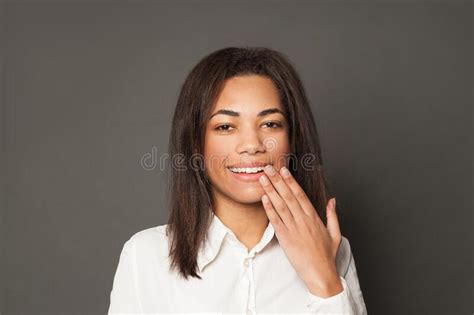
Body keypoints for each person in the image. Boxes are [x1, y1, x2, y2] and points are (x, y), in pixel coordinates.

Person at [108, 47, 367, 314]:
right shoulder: (145, 255)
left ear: (292, 140)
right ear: (196, 144)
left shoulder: (333, 248)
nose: (252, 145)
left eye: (270, 124)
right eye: (225, 127)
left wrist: (325, 281)